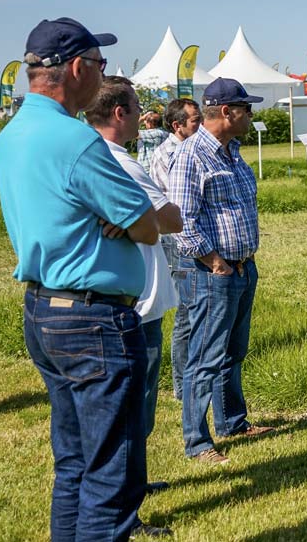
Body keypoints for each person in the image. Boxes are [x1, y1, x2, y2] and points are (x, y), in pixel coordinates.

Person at [0, 17, 169, 539]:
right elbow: (147, 226)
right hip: (94, 320)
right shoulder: (77, 142)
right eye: (98, 63)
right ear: (76, 68)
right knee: (110, 475)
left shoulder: (13, 134)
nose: (102, 73)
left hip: (45, 310)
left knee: (72, 462)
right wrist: (134, 219)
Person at [168, 77, 274, 465]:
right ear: (227, 112)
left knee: (233, 351)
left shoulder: (232, 151)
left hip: (242, 268)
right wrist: (214, 261)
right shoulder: (193, 155)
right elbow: (182, 220)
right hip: (213, 273)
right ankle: (196, 441)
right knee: (205, 356)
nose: (251, 115)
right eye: (246, 108)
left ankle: (232, 421)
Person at [87, 76, 182, 497]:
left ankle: (132, 481)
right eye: (138, 108)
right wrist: (144, 214)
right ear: (120, 113)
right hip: (137, 304)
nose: (146, 118)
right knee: (135, 408)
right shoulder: (123, 164)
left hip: (127, 296)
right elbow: (171, 219)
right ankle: (126, 492)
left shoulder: (91, 156)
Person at [149, 98, 203, 400]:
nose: (200, 125)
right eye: (195, 120)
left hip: (192, 238)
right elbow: (179, 205)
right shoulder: (167, 154)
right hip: (177, 243)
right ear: (177, 125)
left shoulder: (192, 149)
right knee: (185, 310)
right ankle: (182, 385)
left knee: (197, 309)